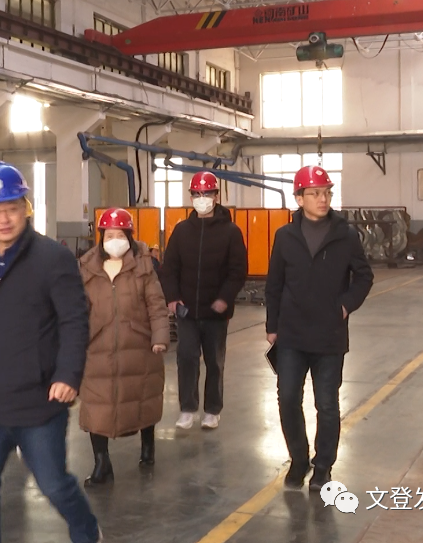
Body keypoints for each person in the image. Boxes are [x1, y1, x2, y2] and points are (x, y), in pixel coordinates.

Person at [0, 161, 102, 543]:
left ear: (25, 207)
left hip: (39, 402)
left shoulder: (53, 258)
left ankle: (87, 531)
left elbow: (74, 321)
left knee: (54, 484)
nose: (3, 219)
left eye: (11, 208)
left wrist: (68, 375)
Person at [265, 165, 373, 492]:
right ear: (299, 198)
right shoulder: (285, 236)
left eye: (326, 192)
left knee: (326, 404)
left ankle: (323, 466)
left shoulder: (345, 235)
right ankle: (298, 460)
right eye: (315, 193)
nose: (323, 199)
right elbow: (274, 284)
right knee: (287, 399)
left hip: (329, 336)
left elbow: (364, 276)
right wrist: (272, 325)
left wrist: (345, 306)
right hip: (292, 334)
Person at [78, 207, 168, 486]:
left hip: (138, 345)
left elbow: (156, 304)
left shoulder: (143, 266)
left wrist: (159, 337)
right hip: (98, 346)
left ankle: (148, 445)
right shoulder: (87, 268)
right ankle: (101, 463)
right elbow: (78, 308)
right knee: (96, 405)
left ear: (129, 237)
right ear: (101, 237)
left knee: (142, 398)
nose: (114, 240)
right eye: (109, 235)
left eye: (120, 235)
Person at [160, 171, 247, 430]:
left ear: (216, 196)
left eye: (206, 193)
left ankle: (212, 410)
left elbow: (237, 271)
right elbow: (169, 268)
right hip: (187, 311)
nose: (202, 198)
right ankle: (187, 408)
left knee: (214, 362)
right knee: (186, 358)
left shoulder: (231, 232)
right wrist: (172, 298)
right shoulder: (181, 231)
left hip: (216, 313)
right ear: (191, 197)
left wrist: (224, 299)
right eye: (196, 194)